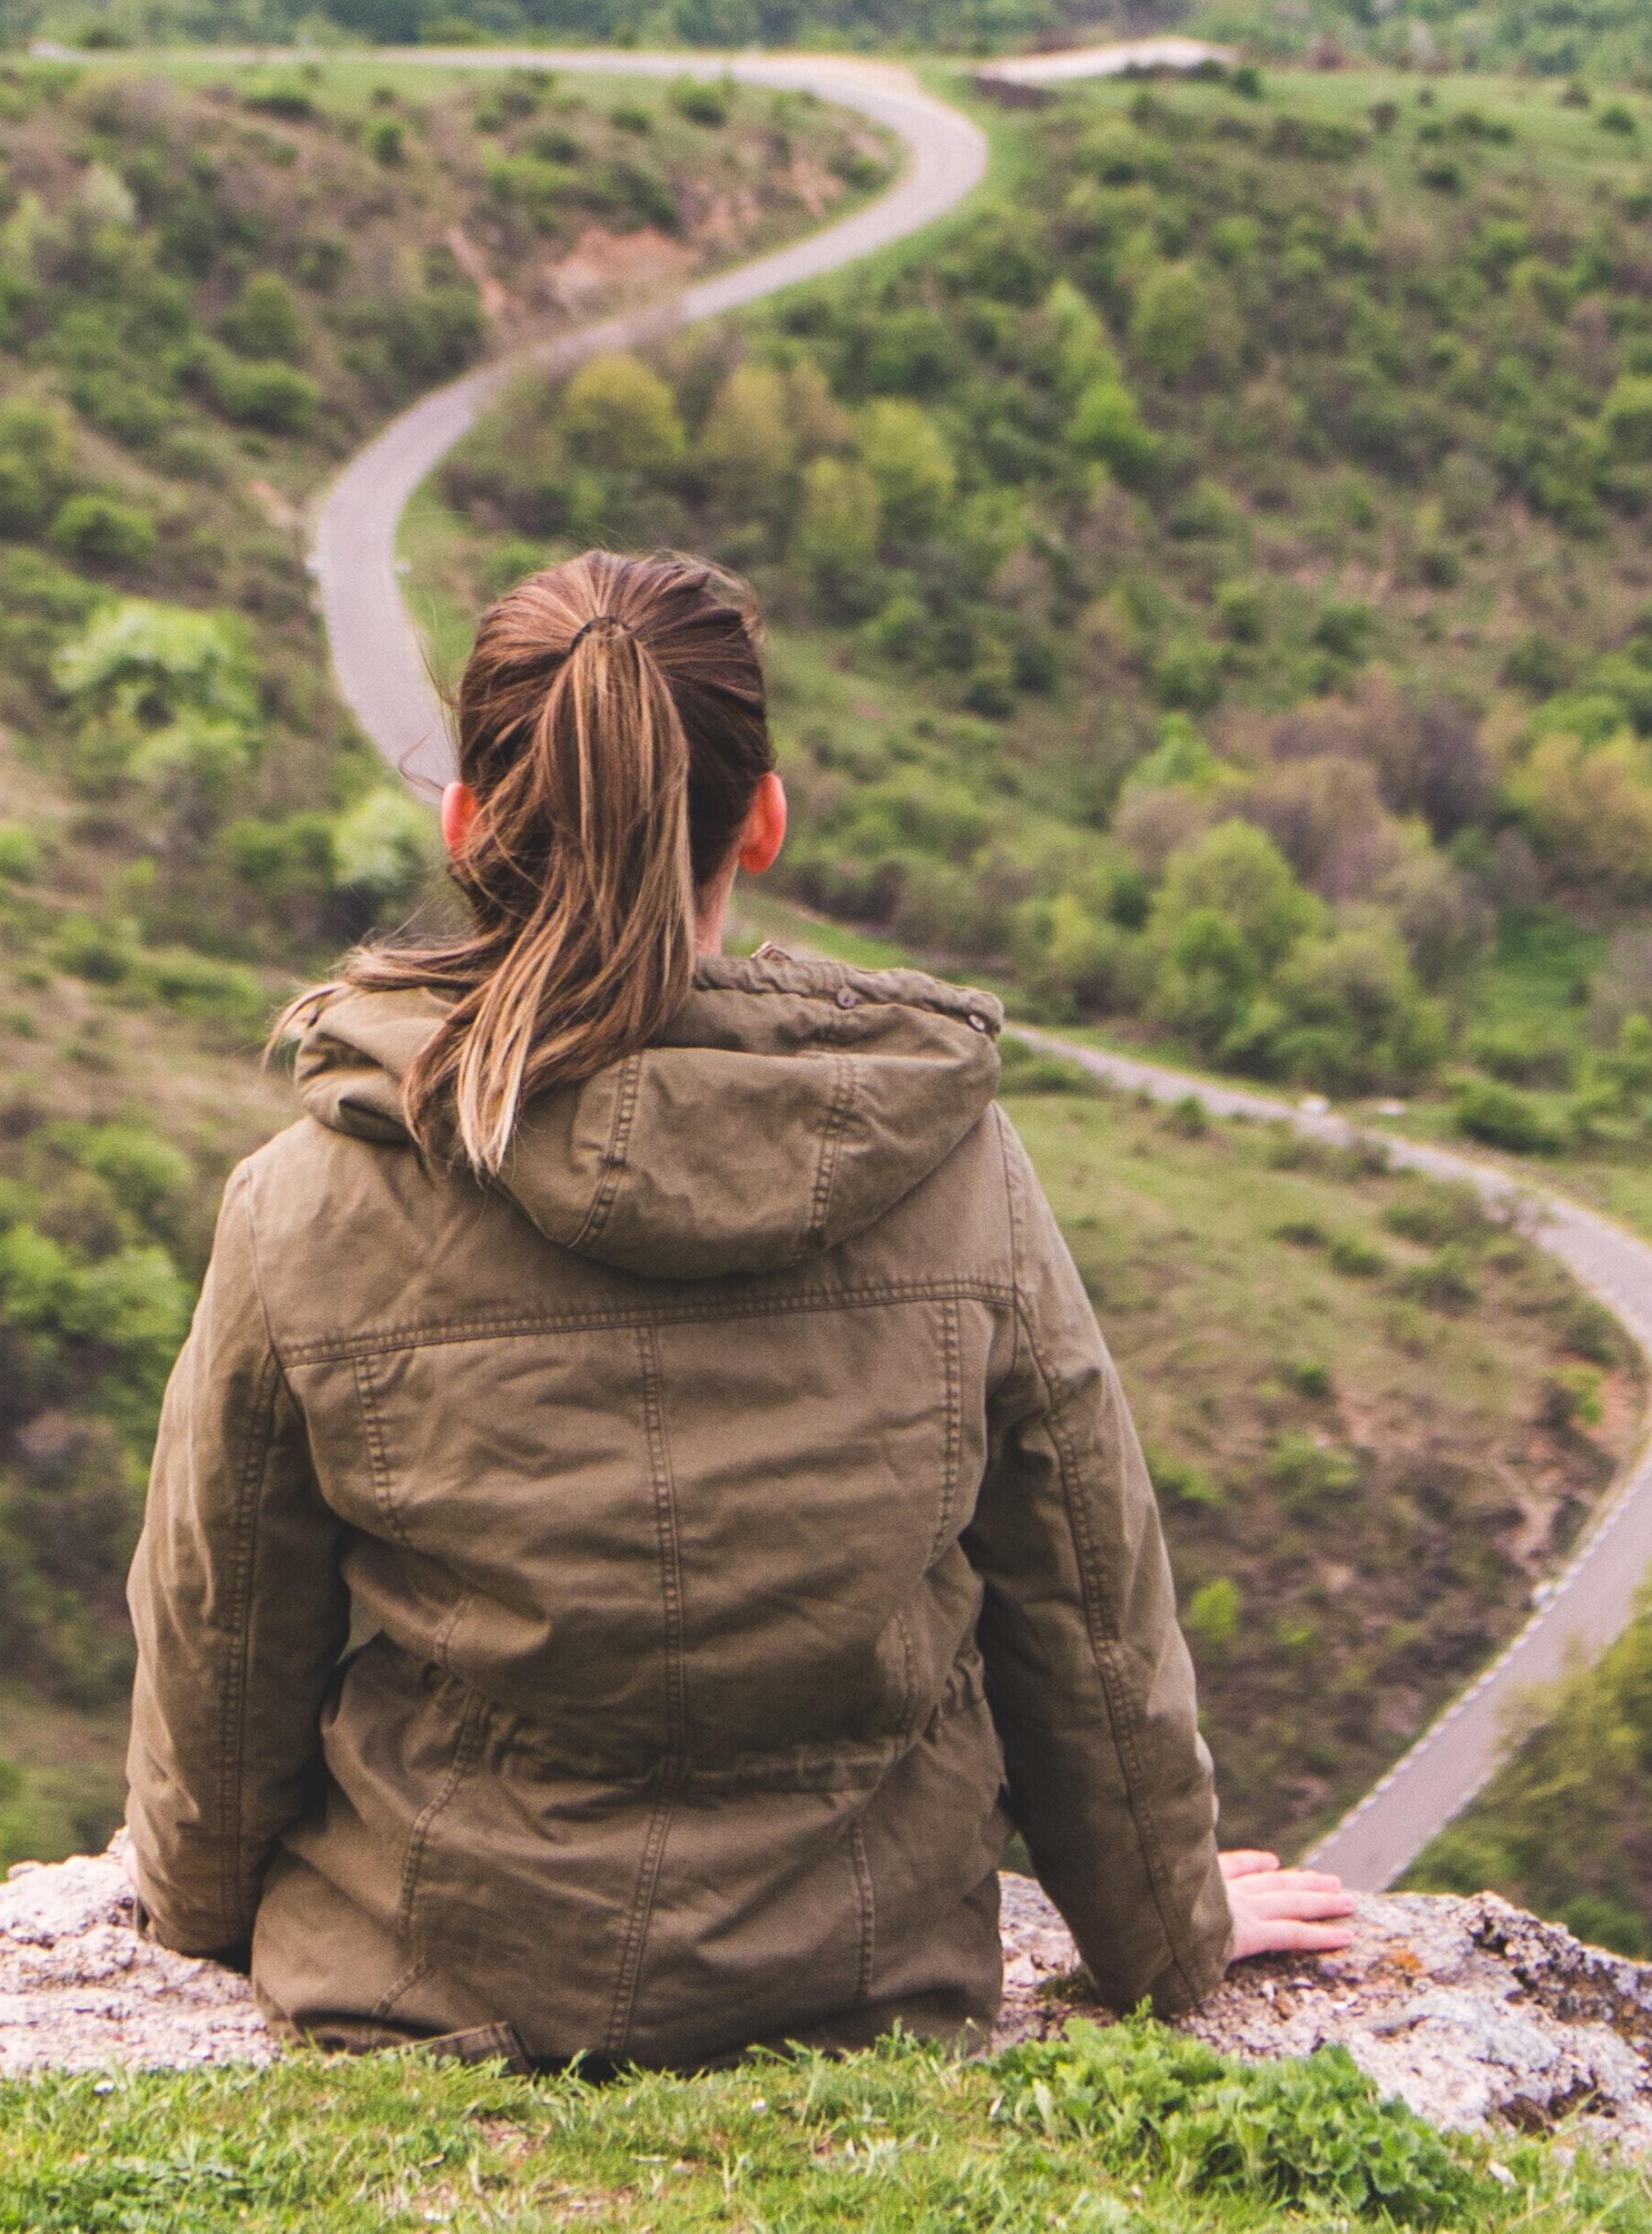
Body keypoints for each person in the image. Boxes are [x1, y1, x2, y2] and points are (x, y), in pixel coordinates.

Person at [127, 549, 1352, 2066]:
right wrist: (1168, 1935)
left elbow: (223, 1635)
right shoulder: (952, 1169)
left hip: (427, 1988)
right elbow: (1083, 1612)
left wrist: (194, 1905)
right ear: (762, 817)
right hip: (862, 1991)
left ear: (464, 826)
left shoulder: (305, 1201)